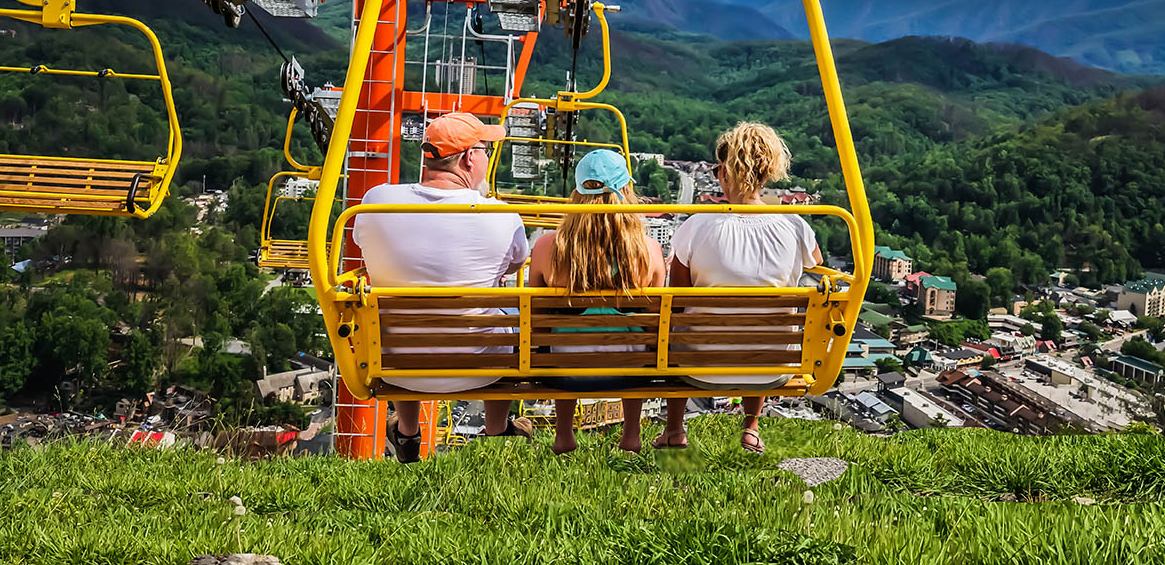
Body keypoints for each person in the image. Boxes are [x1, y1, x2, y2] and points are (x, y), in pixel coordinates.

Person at [352, 112, 530, 463]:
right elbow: (516, 262)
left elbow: (361, 241)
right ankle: (497, 428)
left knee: (398, 305)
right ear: (468, 158)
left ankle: (406, 431)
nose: (487, 159)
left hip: (395, 363)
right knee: (510, 303)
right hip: (478, 367)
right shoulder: (500, 215)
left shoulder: (377, 200)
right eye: (486, 151)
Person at [654, 122, 821, 454]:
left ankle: (674, 429)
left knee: (675, 327)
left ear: (723, 173)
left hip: (700, 367)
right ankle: (751, 428)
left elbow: (677, 301)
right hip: (771, 367)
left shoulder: (695, 225)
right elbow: (815, 261)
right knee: (764, 321)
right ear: (766, 173)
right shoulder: (795, 225)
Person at [526, 149, 667, 454]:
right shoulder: (649, 251)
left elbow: (536, 320)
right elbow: (654, 326)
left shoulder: (549, 247)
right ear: (626, 191)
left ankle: (564, 435)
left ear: (576, 193)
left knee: (558, 330)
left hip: (564, 371)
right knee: (637, 337)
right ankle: (631, 434)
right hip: (631, 372)